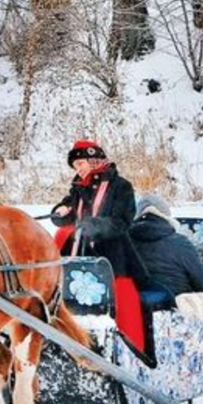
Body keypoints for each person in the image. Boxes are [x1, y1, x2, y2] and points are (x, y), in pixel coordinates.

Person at [52, 140, 152, 358]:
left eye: (80, 163)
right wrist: (60, 211)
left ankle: (128, 351)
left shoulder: (121, 186)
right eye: (75, 165)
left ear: (93, 159)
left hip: (113, 256)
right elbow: (68, 212)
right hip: (79, 254)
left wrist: (93, 225)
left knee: (121, 302)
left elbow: (122, 221)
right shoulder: (78, 188)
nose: (78, 168)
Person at [129, 195, 203, 309]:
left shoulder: (124, 242)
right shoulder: (181, 243)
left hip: (133, 311)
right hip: (175, 314)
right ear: (166, 215)